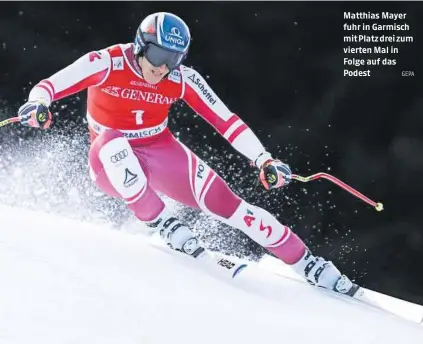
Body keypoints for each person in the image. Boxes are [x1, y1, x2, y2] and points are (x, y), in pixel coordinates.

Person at [18, 12, 357, 295]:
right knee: (112, 141)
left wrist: (263, 159)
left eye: (173, 60)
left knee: (231, 205)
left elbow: (227, 122)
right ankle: (162, 222)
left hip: (160, 150)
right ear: (140, 45)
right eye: (158, 57)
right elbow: (49, 86)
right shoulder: (105, 62)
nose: (163, 68)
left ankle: (307, 263)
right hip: (110, 160)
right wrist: (38, 105)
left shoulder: (181, 79)